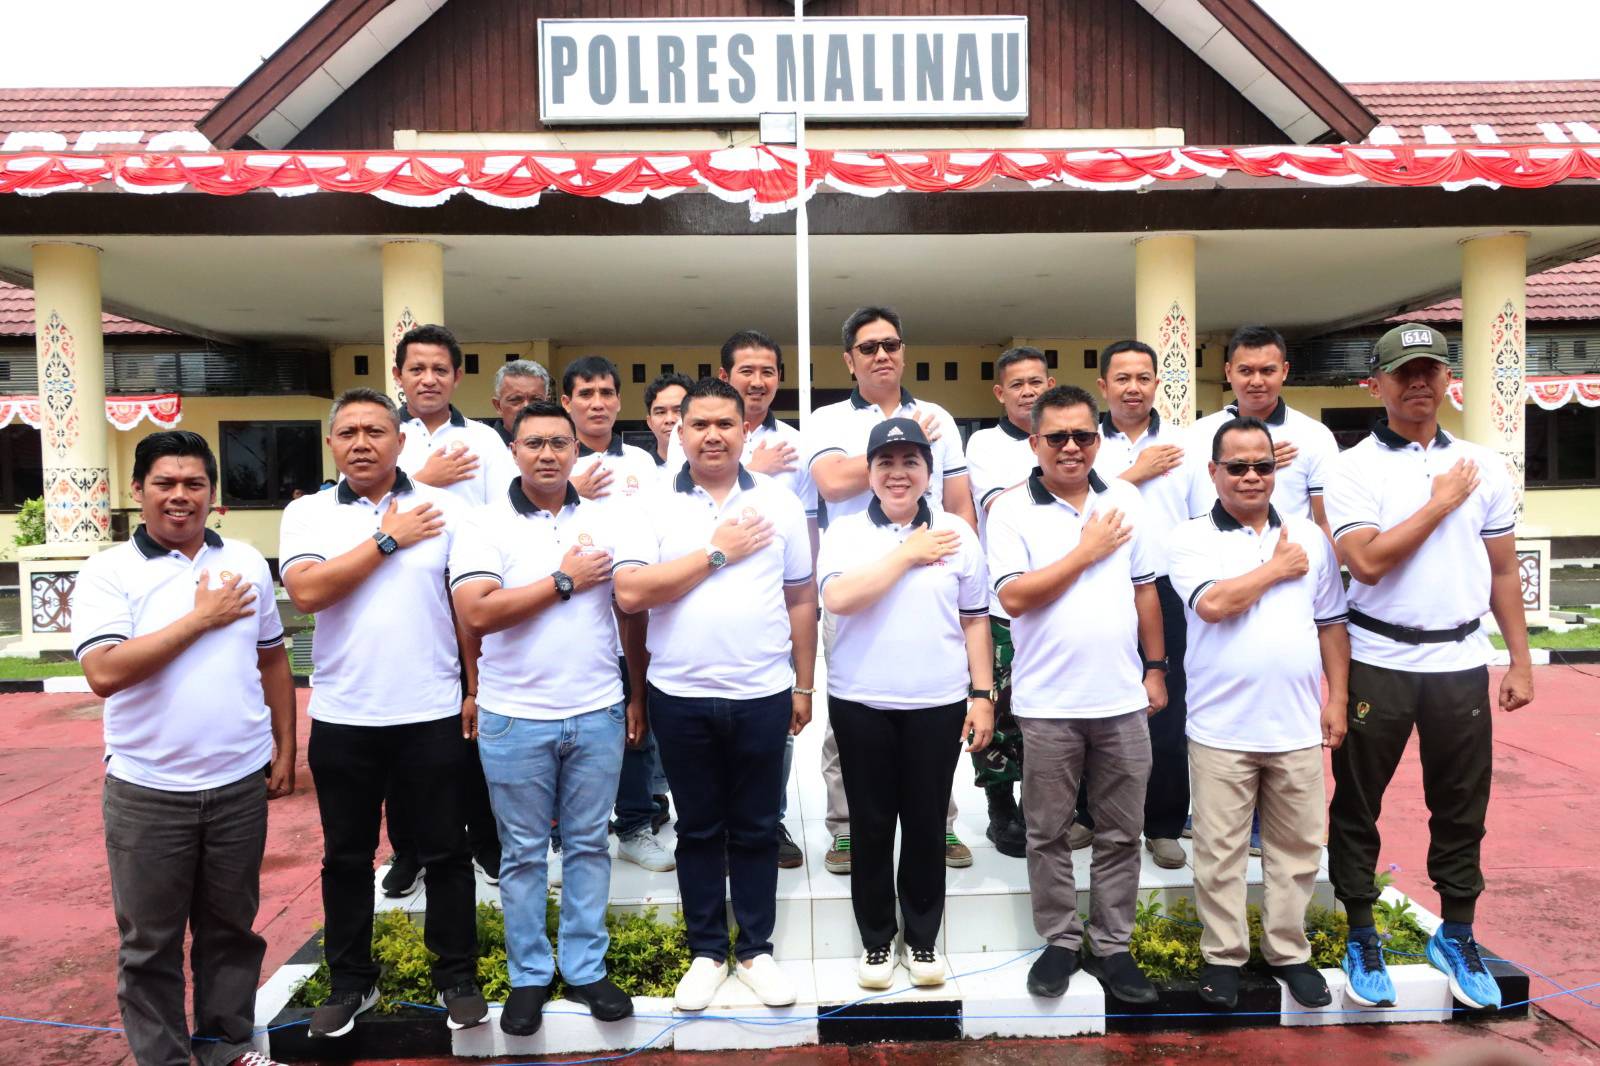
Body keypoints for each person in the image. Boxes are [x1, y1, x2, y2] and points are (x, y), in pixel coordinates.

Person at [1324, 323, 1534, 1012]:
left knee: (1462, 802)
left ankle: (1459, 932)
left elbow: (1502, 570)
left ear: (1448, 380)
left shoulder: (1483, 464)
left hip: (1460, 659)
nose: (1418, 382)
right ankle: (1361, 931)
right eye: (1403, 372)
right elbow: (1366, 562)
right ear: (1377, 384)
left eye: (1430, 370)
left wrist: (1520, 661)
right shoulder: (1353, 468)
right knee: (1359, 801)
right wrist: (1440, 501)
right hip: (1379, 657)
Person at [73, 430, 296, 1066]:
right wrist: (201, 617)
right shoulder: (109, 572)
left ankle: (226, 1047)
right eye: (164, 483)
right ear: (137, 490)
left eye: (194, 483)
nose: (180, 495)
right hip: (148, 789)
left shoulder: (246, 562)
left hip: (238, 784)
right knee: (150, 944)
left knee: (232, 931)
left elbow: (272, 658)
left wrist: (285, 747)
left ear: (213, 494)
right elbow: (104, 672)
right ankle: (165, 1059)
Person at [279, 387, 486, 1037]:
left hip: (432, 711)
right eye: (349, 432)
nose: (362, 443)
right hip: (346, 715)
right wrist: (387, 539)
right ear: (331, 444)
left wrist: (474, 687)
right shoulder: (308, 513)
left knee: (446, 852)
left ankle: (456, 975)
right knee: (346, 857)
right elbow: (307, 591)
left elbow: (465, 609)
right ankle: (350, 980)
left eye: (375, 431)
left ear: (401, 441)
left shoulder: (447, 508)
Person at [613, 378, 817, 1012]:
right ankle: (706, 951)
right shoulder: (649, 503)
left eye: (724, 424)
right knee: (698, 830)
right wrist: (716, 553)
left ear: (745, 430)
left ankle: (755, 950)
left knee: (756, 829)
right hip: (680, 695)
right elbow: (631, 594)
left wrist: (804, 682)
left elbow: (801, 597)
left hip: (762, 693)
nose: (711, 435)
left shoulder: (779, 503)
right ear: (679, 431)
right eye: (698, 424)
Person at [450, 401, 645, 1036]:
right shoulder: (483, 523)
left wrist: (636, 695)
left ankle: (585, 967)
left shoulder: (608, 519)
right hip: (515, 719)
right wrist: (563, 580)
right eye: (534, 443)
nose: (547, 454)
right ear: (513, 451)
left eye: (560, 443)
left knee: (589, 846)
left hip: (596, 711)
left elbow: (630, 613)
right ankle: (529, 975)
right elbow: (476, 612)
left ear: (576, 451)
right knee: (523, 854)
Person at [986, 384, 1166, 1005]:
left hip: (1121, 700)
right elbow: (1013, 598)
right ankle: (1061, 940)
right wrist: (1085, 552)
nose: (1071, 447)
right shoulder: (1010, 509)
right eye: (1057, 436)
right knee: (1048, 832)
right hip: (1048, 704)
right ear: (1034, 441)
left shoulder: (1125, 499)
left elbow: (1145, 589)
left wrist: (1156, 668)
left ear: (1098, 440)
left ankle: (1112, 946)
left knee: (1121, 832)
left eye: (1083, 436)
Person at [1167, 415, 1349, 1012]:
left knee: (1297, 850)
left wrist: (1336, 698)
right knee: (1219, 852)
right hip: (1221, 727)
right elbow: (1214, 604)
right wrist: (1276, 567)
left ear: (1276, 470)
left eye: (1262, 466)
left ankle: (1288, 952)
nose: (1251, 476)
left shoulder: (1310, 537)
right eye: (1238, 466)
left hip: (1296, 725)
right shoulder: (1191, 537)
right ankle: (1223, 957)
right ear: (1213, 471)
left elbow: (1331, 623)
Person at [818, 417, 995, 989]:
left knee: (924, 823)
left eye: (911, 462)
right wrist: (908, 554)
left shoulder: (957, 532)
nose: (898, 474)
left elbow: (975, 619)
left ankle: (920, 940)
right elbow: (839, 598)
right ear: (869, 472)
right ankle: (876, 942)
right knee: (870, 826)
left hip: (937, 703)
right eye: (886, 463)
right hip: (861, 702)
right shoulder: (845, 532)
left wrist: (982, 694)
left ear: (929, 471)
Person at [806, 305, 977, 875]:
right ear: (849, 359)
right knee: (853, 715)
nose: (882, 354)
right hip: (856, 582)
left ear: (904, 352)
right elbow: (832, 484)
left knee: (937, 712)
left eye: (891, 344)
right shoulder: (829, 419)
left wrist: (962, 559)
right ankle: (847, 828)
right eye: (869, 347)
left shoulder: (938, 416)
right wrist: (899, 447)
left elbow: (958, 502)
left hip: (933, 574)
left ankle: (939, 822)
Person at [666, 330, 820, 868]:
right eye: (746, 371)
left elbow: (800, 580)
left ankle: (768, 822)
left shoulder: (792, 457)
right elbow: (638, 588)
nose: (758, 381)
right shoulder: (677, 465)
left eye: (768, 371)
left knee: (766, 778)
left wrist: (804, 680)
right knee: (700, 818)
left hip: (763, 663)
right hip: (684, 678)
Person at [385, 323, 509, 892]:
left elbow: (507, 509)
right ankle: (408, 851)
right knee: (402, 733)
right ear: (399, 375)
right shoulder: (384, 435)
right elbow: (360, 511)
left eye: (440, 369)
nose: (428, 379)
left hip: (469, 600)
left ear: (458, 376)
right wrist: (420, 479)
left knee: (475, 723)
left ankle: (485, 841)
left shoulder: (484, 441)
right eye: (417, 369)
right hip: (405, 603)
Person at [557, 353, 674, 873]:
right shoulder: (555, 458)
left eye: (606, 393)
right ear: (567, 402)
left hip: (630, 615)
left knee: (635, 724)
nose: (597, 403)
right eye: (586, 394)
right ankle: (567, 837)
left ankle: (633, 827)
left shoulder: (642, 464)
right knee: (568, 731)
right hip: (570, 617)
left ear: (619, 400)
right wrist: (570, 490)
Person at [1092, 340, 1200, 870]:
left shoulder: (1186, 445)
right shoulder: (1084, 443)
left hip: (1169, 594)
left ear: (1158, 384)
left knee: (1166, 711)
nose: (1132, 388)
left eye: (1142, 378)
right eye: (1122, 378)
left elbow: (1203, 521)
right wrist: (1135, 472)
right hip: (1099, 589)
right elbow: (1076, 502)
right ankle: (1089, 815)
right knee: (1094, 706)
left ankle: (1162, 824)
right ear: (1103, 386)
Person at [964, 345, 1055, 859]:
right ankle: (1000, 805)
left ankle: (1036, 805)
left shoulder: (1069, 436)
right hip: (1001, 602)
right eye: (1017, 384)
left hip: (1057, 602)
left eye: (1036, 381)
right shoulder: (986, 444)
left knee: (1045, 711)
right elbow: (1002, 503)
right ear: (1000, 393)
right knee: (997, 711)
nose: (1028, 391)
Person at [1186, 325, 1338, 540]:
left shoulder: (1314, 436)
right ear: (1228, 372)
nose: (1256, 381)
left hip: (1291, 556)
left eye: (1267, 371)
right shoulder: (1198, 434)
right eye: (1246, 371)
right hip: (1213, 558)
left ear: (1284, 371)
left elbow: (1326, 522)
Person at [489, 358, 554, 444]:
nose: (526, 407)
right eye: (515, 400)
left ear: (547, 405)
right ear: (498, 406)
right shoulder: (482, 447)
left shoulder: (560, 446)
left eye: (536, 400)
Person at [643, 371, 693, 467]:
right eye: (660, 412)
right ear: (649, 422)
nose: (669, 419)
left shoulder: (712, 468)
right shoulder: (640, 469)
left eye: (679, 410)